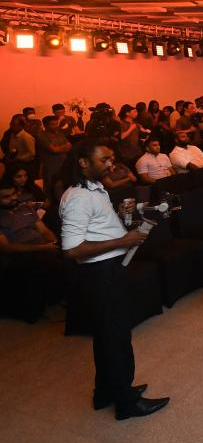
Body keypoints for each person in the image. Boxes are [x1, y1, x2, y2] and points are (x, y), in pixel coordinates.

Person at [59, 139, 169, 420]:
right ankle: (126, 402)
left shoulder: (94, 188)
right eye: (104, 159)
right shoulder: (79, 197)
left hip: (109, 269)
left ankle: (106, 392)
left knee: (106, 335)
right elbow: (72, 249)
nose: (111, 164)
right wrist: (123, 240)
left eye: (111, 158)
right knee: (116, 337)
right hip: (100, 274)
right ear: (83, 162)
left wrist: (119, 219)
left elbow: (95, 228)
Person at [0, 181, 65, 321]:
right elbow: (6, 247)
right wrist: (42, 248)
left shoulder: (25, 209)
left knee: (70, 252)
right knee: (47, 262)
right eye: (6, 197)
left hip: (41, 247)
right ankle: (52, 302)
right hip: (19, 253)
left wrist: (53, 241)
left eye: (13, 194)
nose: (12, 198)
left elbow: (44, 230)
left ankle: (66, 298)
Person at [36, 115, 71, 196]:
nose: (55, 126)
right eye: (52, 124)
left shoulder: (60, 134)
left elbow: (69, 146)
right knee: (51, 190)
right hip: (50, 167)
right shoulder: (41, 136)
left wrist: (58, 148)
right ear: (45, 125)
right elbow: (54, 150)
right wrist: (62, 148)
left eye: (56, 124)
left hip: (63, 165)